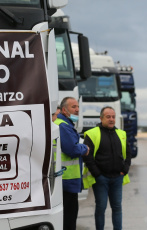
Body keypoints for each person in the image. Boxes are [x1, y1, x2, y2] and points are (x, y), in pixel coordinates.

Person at [82, 106, 131, 230]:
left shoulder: (121, 134)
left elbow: (128, 154)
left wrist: (124, 170)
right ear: (101, 118)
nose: (111, 119)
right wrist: (97, 174)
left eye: (113, 117)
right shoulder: (92, 134)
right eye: (108, 117)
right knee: (101, 207)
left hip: (117, 178)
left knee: (117, 208)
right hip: (101, 179)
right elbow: (87, 156)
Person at [54, 97, 89, 230]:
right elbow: (72, 149)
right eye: (73, 107)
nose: (77, 109)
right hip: (66, 180)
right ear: (64, 109)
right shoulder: (63, 126)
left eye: (78, 107)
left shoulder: (65, 124)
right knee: (69, 220)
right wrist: (85, 149)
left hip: (66, 180)